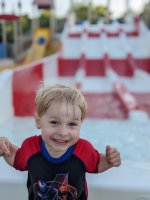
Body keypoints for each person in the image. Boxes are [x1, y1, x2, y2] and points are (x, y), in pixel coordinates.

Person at [0, 84, 121, 200]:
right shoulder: (30, 147)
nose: (63, 132)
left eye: (72, 124)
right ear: (38, 121)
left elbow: (97, 164)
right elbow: (16, 159)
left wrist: (109, 161)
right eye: (54, 122)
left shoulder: (84, 150)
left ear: (80, 125)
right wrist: (5, 148)